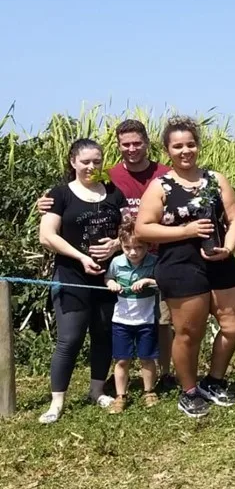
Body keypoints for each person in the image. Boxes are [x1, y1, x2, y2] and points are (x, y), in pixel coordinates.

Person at [37, 119, 175, 388]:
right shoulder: (107, 177)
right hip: (117, 267)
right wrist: (46, 201)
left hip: (158, 258)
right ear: (118, 146)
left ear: (147, 143)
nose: (132, 148)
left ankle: (163, 374)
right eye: (126, 144)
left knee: (160, 323)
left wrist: (116, 243)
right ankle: (117, 375)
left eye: (137, 143)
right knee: (114, 325)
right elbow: (73, 196)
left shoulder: (165, 174)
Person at [136, 117, 235, 418]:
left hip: (219, 258)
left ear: (198, 145)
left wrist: (230, 245)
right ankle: (188, 391)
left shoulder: (215, 179)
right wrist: (184, 232)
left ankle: (214, 380)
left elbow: (234, 218)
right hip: (179, 264)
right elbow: (142, 229)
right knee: (189, 331)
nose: (185, 150)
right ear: (167, 150)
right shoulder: (160, 186)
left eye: (190, 144)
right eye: (178, 146)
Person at [37, 138, 126, 423]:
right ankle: (57, 401)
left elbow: (129, 229)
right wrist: (80, 257)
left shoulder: (113, 192)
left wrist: (115, 245)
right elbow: (47, 235)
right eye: (85, 162)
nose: (91, 167)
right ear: (73, 162)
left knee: (103, 334)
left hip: (108, 277)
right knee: (70, 338)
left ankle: (96, 390)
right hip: (71, 274)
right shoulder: (60, 194)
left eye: (96, 162)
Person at [104, 219, 160, 413]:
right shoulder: (116, 262)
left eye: (138, 247)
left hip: (147, 319)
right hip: (121, 319)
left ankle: (149, 391)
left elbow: (162, 281)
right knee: (121, 359)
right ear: (121, 245)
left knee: (147, 357)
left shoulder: (154, 262)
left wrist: (148, 281)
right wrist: (110, 283)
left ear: (147, 245)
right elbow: (108, 277)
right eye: (127, 247)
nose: (133, 252)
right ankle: (121, 395)